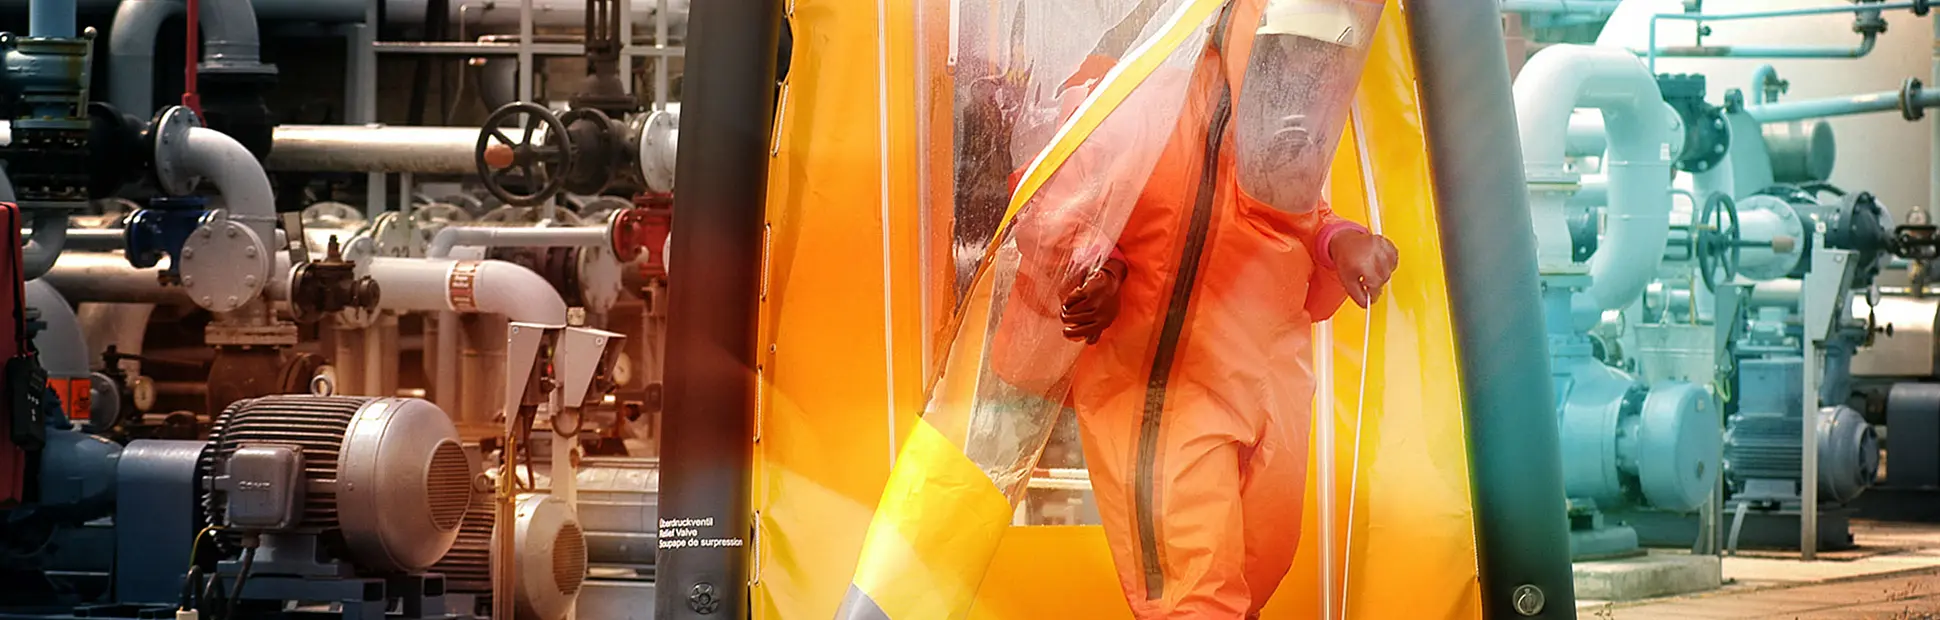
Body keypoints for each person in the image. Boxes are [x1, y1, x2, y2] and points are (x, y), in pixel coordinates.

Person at [993, 0, 1398, 616]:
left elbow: (1284, 205)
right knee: (1196, 590)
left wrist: (1338, 240)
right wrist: (1097, 269)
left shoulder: (1271, 90)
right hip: (1161, 384)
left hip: (1265, 372)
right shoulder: (1132, 81)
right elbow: (1063, 191)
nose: (1307, 68)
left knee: (1261, 559)